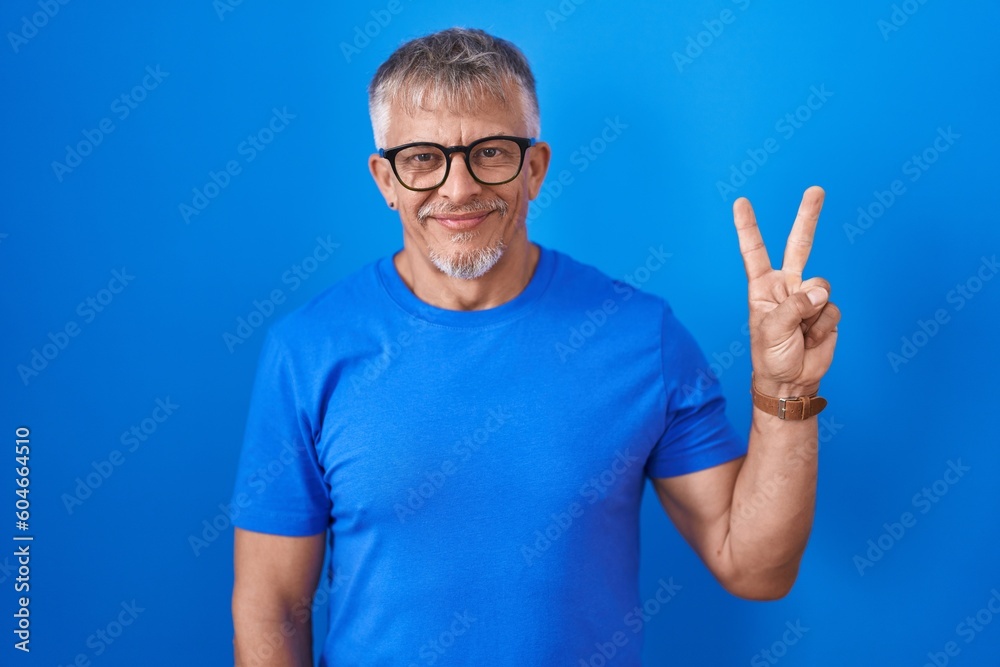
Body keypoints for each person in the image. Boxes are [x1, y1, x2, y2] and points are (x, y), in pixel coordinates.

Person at [230, 27, 840, 666]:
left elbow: (755, 569)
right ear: (386, 178)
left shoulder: (641, 338)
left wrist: (785, 393)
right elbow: (270, 603)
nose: (458, 188)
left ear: (536, 169)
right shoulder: (307, 350)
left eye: (490, 152)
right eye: (421, 158)